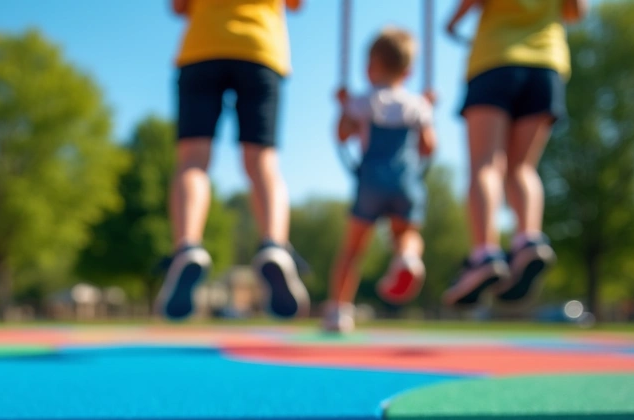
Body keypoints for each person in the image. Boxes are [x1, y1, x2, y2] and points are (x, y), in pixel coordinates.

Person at [157, 0, 310, 321]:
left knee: (193, 161)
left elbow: (178, 6)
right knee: (262, 161)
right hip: (259, 47)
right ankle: (273, 245)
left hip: (203, 46)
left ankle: (187, 247)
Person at [442, 0, 586, 307]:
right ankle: (528, 241)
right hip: (546, 63)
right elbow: (576, 12)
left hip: (495, 59)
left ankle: (484, 254)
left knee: (486, 163)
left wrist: (452, 25)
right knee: (522, 166)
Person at [324, 27, 436, 334]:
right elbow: (429, 147)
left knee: (353, 249)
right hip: (406, 181)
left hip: (371, 181)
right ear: (408, 71)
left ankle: (338, 311)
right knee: (406, 233)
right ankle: (408, 257)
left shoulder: (363, 101)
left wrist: (343, 107)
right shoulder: (417, 104)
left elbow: (342, 135)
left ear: (370, 66)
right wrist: (428, 109)